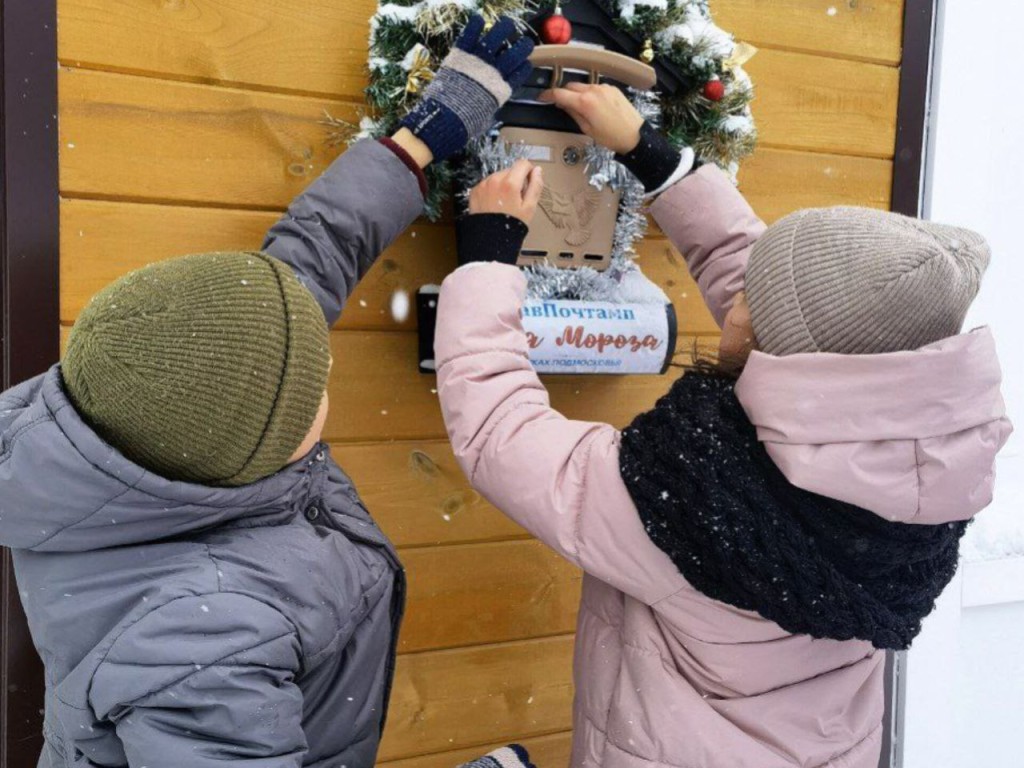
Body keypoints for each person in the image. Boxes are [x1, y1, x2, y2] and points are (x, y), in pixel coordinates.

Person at [0, 16, 536, 768]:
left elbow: (302, 268)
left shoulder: (147, 401)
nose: (327, 375)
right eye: (314, 384)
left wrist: (427, 132)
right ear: (264, 450)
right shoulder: (201, 642)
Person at [434, 82, 1013, 768]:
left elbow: (502, 433)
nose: (732, 303)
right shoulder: (916, 461)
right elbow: (780, 291)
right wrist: (654, 157)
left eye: (748, 305)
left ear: (786, 353)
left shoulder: (696, 506)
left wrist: (487, 254)